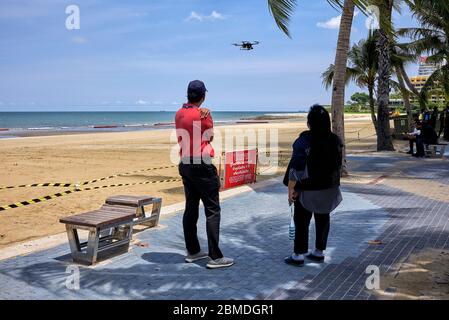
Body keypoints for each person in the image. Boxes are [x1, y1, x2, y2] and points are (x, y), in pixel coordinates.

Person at [175, 80, 234, 269]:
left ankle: (193, 251)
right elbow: (210, 136)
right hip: (201, 164)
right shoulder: (204, 114)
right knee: (212, 210)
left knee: (191, 208)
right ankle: (215, 257)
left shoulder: (178, 113)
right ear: (203, 96)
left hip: (185, 163)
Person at [283, 104, 343, 267]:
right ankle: (318, 252)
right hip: (329, 188)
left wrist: (291, 189)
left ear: (309, 123)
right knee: (323, 216)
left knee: (302, 219)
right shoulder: (335, 140)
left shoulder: (303, 141)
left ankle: (298, 255)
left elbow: (297, 167)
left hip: (308, 189)